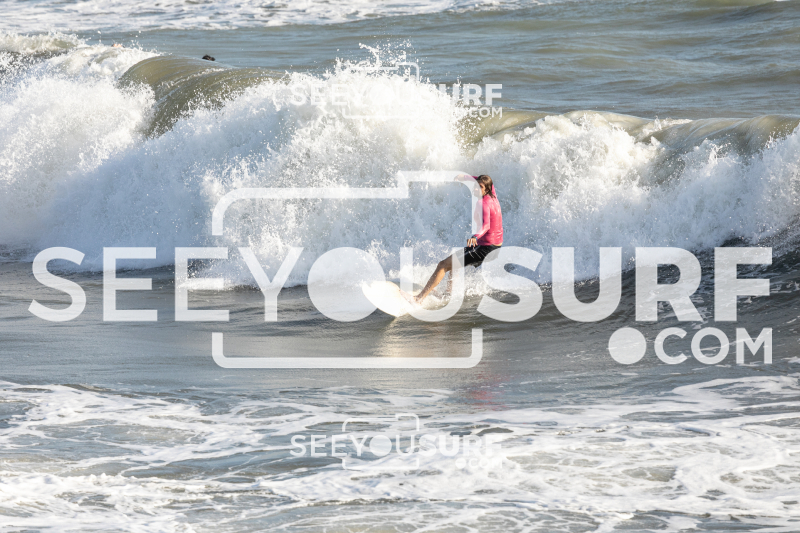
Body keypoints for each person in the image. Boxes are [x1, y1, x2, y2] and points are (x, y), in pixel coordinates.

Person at [414, 174, 503, 303]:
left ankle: (418, 299)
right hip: (495, 246)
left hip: (485, 248)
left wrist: (475, 236)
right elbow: (486, 180)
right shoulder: (493, 195)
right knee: (454, 263)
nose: (476, 188)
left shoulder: (483, 203)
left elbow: (486, 225)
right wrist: (466, 177)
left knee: (442, 265)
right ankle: (447, 295)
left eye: (480, 187)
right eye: (475, 185)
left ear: (487, 189)